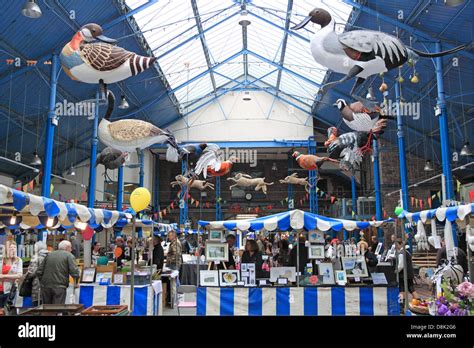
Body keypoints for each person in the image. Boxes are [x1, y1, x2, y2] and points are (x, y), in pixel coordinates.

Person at [37, 240, 80, 305]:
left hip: (45, 287)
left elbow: (39, 271)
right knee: (57, 308)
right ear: (67, 247)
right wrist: (76, 283)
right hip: (59, 287)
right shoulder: (69, 255)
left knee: (46, 308)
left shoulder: (49, 255)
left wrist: (42, 282)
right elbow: (74, 272)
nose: (71, 249)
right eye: (70, 247)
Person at [395, 239, 419, 309]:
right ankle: (419, 303)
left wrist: (396, 271)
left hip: (403, 275)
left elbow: (400, 266)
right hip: (409, 274)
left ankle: (401, 307)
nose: (396, 247)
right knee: (412, 289)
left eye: (396, 245)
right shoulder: (407, 252)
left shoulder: (402, 253)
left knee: (401, 290)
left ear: (399, 244)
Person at [0, 241, 23, 307]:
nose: (13, 249)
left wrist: (4, 276)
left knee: (7, 310)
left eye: (14, 247)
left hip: (9, 290)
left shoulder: (18, 260)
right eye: (10, 247)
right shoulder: (1, 259)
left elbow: (19, 275)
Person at [26, 241, 49, 307]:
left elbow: (31, 273)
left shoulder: (35, 257)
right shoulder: (50, 256)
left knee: (36, 308)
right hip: (48, 286)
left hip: (37, 286)